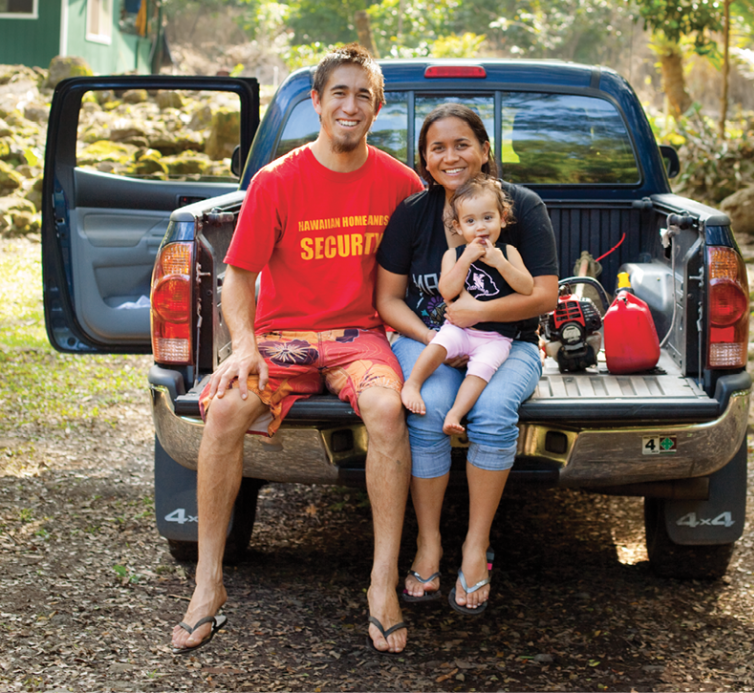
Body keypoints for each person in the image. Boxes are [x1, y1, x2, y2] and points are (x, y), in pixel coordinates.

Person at [170, 45, 423, 656]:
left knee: (388, 412)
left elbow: (433, 260)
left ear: (378, 108)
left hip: (360, 337)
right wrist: (244, 347)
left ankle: (382, 583)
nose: (351, 105)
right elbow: (238, 276)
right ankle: (208, 584)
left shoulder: (400, 183)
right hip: (284, 340)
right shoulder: (277, 181)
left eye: (364, 95)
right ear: (316, 101)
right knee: (226, 408)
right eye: (339, 92)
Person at [376, 104, 559, 615]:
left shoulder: (520, 207)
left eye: (463, 144)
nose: (451, 156)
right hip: (429, 338)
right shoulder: (414, 212)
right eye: (438, 147)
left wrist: (477, 317)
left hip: (509, 343)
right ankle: (430, 543)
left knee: (494, 412)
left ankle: (476, 548)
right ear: (425, 160)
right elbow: (388, 300)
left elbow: (544, 296)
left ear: (484, 151)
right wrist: (440, 333)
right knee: (428, 409)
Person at [400, 175, 533, 436]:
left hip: (496, 337)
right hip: (460, 329)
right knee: (439, 344)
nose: (480, 227)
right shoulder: (454, 255)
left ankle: (456, 413)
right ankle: (412, 385)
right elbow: (447, 291)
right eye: (470, 221)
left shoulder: (508, 252)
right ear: (458, 227)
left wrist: (500, 263)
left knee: (482, 371)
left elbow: (527, 287)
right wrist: (466, 259)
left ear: (502, 218)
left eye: (487, 218)